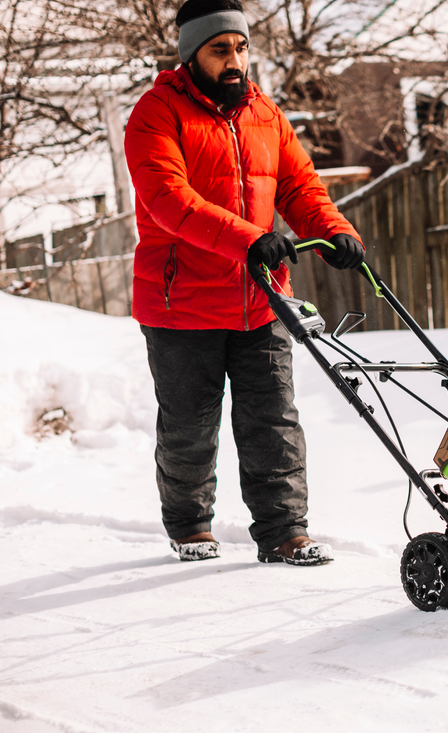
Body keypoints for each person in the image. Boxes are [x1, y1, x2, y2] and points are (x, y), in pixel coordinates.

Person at [124, 0, 364, 565]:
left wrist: (333, 231)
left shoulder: (266, 114)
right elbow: (168, 201)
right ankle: (190, 526)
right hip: (180, 302)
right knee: (189, 426)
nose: (235, 61)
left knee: (273, 419)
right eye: (220, 50)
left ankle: (285, 532)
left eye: (241, 47)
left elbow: (301, 187)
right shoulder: (156, 114)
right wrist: (247, 239)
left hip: (261, 299)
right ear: (191, 54)